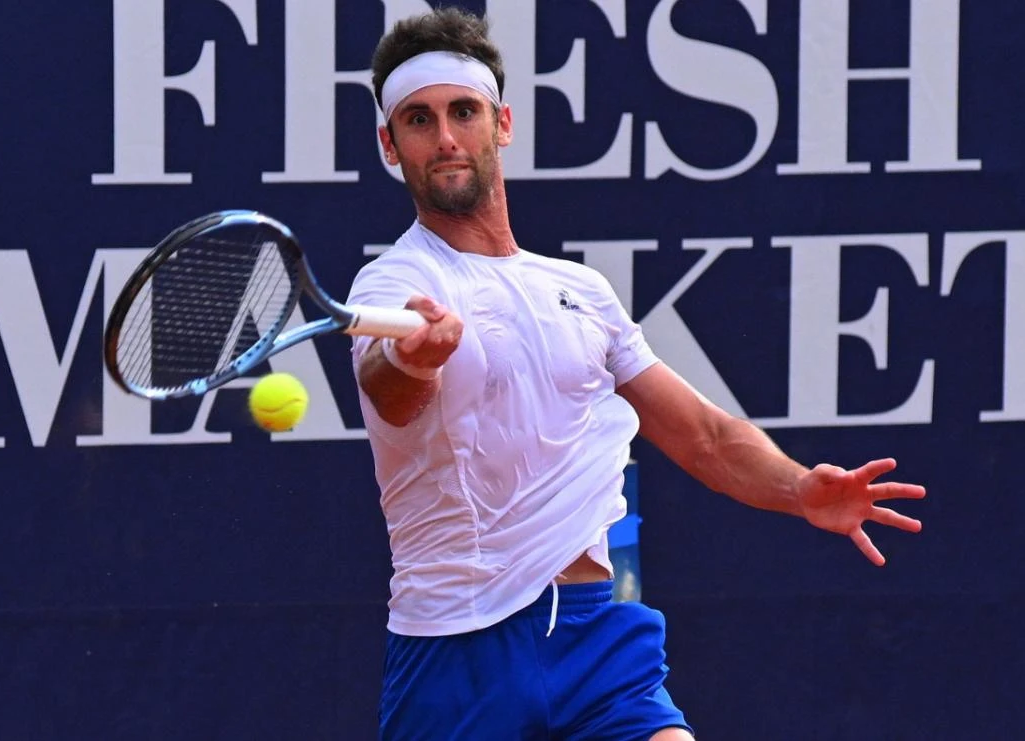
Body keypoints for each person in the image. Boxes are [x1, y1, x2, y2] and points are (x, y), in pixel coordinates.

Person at [348, 8, 926, 740]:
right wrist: (413, 357)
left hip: (597, 639)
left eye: (463, 111)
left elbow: (705, 437)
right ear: (390, 144)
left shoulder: (582, 292)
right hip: (457, 650)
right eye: (418, 120)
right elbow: (388, 391)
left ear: (502, 124)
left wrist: (799, 488)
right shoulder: (393, 284)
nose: (446, 138)